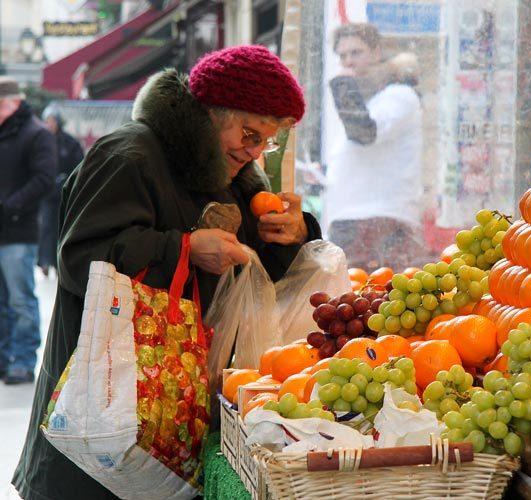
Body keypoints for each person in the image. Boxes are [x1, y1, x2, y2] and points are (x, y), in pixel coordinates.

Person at [13, 45, 321, 500]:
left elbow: (258, 283)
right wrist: (183, 250)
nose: (255, 152)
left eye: (267, 141)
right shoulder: (127, 156)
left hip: (173, 415)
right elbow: (81, 258)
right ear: (212, 112)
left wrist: (290, 236)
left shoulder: (237, 176)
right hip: (101, 418)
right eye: (250, 133)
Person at [325, 22, 426, 271]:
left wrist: (342, 87)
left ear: (376, 53)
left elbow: (364, 133)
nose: (348, 62)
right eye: (343, 55)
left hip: (381, 217)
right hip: (349, 217)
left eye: (356, 53)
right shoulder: (366, 101)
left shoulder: (399, 96)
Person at [0, 77, 57, 385]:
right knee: (3, 301)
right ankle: (5, 357)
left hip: (18, 233)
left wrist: (10, 206)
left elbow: (44, 179)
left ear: (13, 103)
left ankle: (22, 360)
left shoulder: (35, 134)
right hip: (5, 232)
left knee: (20, 299)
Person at [38, 103, 85, 277]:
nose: (50, 124)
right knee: (46, 227)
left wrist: (67, 180)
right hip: (47, 193)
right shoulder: (40, 141)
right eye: (47, 121)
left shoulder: (70, 143)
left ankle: (59, 263)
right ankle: (44, 261)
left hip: (65, 192)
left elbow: (80, 165)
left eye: (53, 120)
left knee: (62, 227)